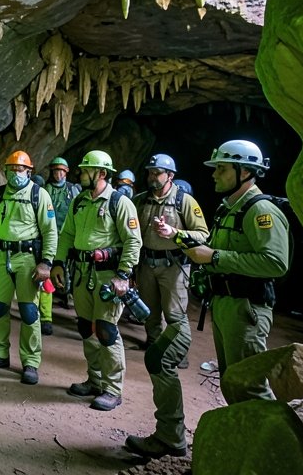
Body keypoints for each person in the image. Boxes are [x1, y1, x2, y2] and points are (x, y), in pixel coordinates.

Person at [155, 140, 290, 404]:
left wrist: (215, 257)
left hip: (247, 308)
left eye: (222, 168)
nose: (214, 174)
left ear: (245, 172)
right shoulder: (228, 209)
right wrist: (177, 235)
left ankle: (270, 442)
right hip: (225, 303)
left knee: (248, 385)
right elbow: (210, 247)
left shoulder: (260, 210)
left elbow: (276, 263)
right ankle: (241, 440)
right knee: (231, 381)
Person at [124, 154, 209, 459]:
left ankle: (174, 355)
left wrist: (176, 234)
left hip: (173, 266)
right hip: (147, 264)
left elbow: (203, 234)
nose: (152, 177)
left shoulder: (184, 201)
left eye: (158, 173)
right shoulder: (140, 199)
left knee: (174, 315)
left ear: (170, 176)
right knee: (148, 313)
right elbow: (131, 230)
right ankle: (154, 346)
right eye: (150, 172)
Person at [50, 150, 141, 411]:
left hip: (107, 276)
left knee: (106, 330)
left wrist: (123, 275)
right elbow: (67, 233)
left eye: (85, 170)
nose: (80, 174)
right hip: (81, 273)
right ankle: (95, 379)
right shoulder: (80, 201)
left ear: (101, 174)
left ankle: (113, 389)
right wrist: (58, 262)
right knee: (86, 328)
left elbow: (133, 241)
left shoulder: (119, 202)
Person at [0, 150, 58, 385]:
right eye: (12, 169)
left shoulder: (39, 195)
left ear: (29, 171)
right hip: (1, 255)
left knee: (29, 312)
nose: (16, 173)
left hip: (28, 258)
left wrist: (46, 262)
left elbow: (50, 231)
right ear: (6, 170)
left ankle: (30, 361)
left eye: (21, 169)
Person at [42, 157, 81, 328]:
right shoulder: (46, 190)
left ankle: (68, 295)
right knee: (48, 269)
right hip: (49, 236)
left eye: (61, 171)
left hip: (68, 237)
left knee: (70, 269)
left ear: (66, 172)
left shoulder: (73, 190)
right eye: (56, 170)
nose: (58, 174)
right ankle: (46, 312)